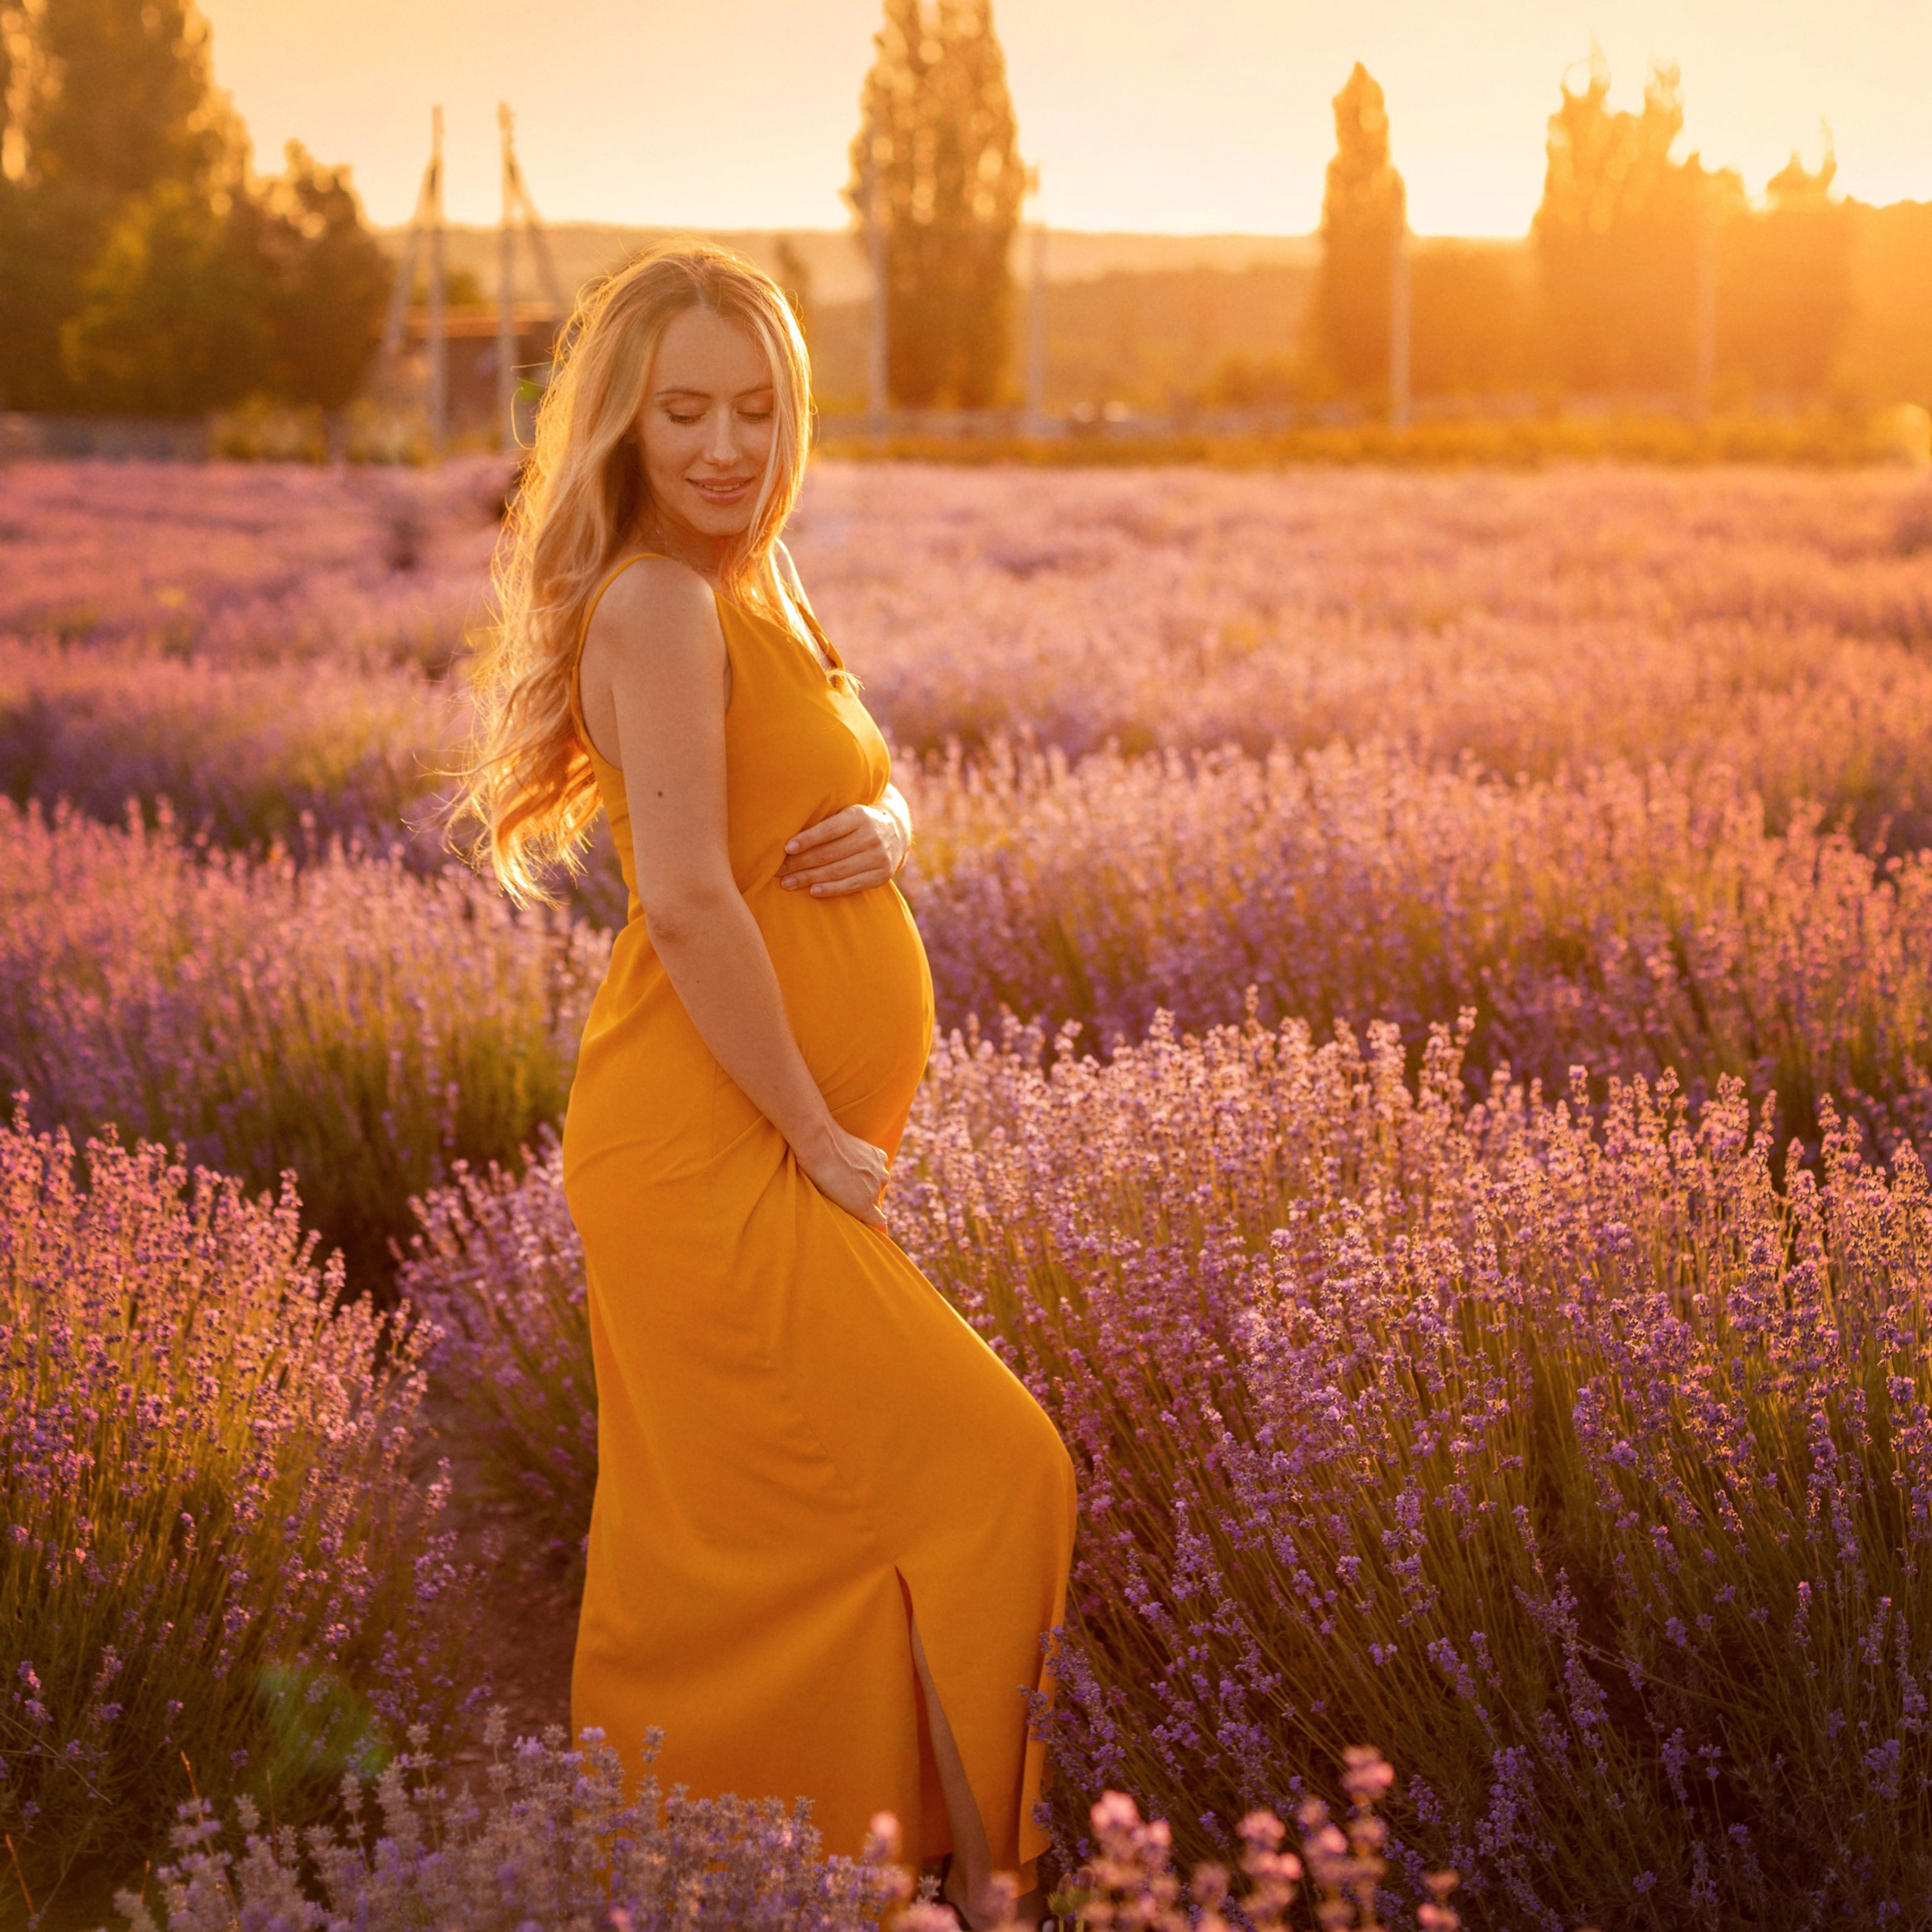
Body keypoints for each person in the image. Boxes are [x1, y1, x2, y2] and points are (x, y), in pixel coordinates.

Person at [456, 242, 1078, 1931]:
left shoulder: (760, 576)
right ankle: (969, 1890)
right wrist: (812, 1126)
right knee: (987, 1469)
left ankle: (836, 1882)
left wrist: (892, 831)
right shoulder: (657, 599)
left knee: (779, 1527)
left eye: (755, 405)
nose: (725, 445)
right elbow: (682, 894)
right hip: (709, 1145)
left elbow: (836, 782)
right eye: (683, 412)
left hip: (778, 1135)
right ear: (621, 425)